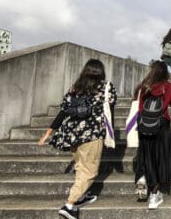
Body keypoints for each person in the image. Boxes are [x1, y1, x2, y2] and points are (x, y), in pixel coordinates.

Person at [38, 59, 117, 219]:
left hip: (71, 135)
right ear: (101, 72)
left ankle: (83, 195)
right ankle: (69, 205)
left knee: (81, 167)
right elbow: (110, 112)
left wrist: (48, 133)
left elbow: (63, 111)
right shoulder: (106, 87)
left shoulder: (75, 87)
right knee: (90, 170)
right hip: (92, 134)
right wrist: (110, 134)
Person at [134, 60, 171, 209]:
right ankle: (154, 194)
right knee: (161, 158)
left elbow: (139, 108)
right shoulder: (169, 87)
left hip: (145, 125)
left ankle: (144, 176)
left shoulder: (144, 87)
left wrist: (141, 123)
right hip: (161, 125)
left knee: (148, 156)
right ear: (165, 73)